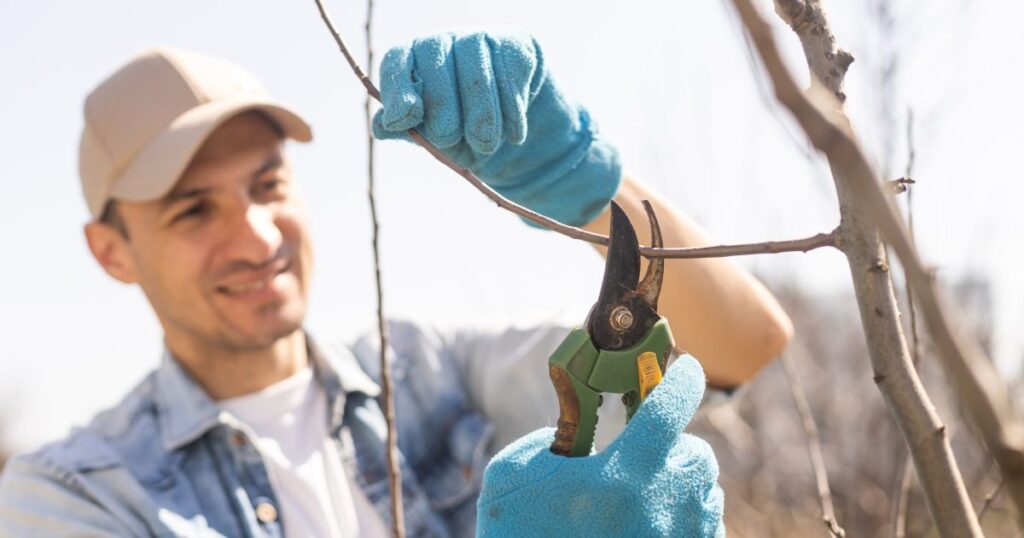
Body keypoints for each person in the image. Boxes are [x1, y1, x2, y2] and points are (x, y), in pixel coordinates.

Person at [0, 31, 791, 537]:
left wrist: (589, 186)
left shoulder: (431, 373)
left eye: (268, 184)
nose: (258, 235)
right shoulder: (71, 494)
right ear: (112, 252)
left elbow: (739, 349)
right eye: (192, 211)